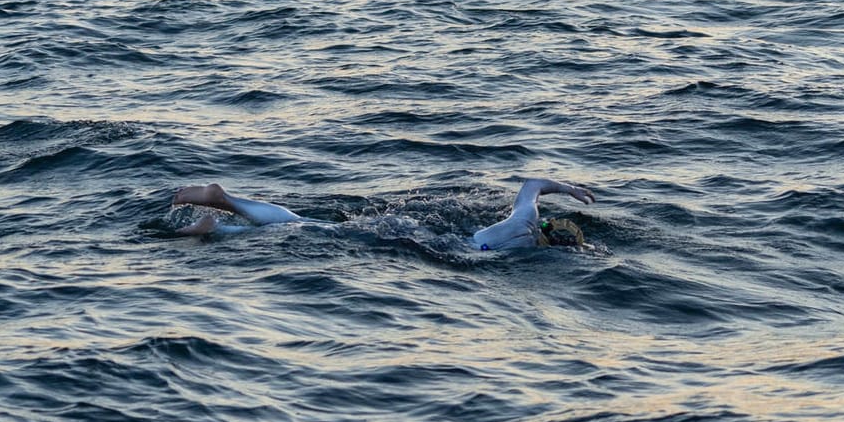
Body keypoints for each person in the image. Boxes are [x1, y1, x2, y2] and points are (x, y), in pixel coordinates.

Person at [170, 177, 595, 250]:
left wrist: (569, 188)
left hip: (412, 229)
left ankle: (223, 220)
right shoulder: (525, 243)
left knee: (316, 226)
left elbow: (531, 185)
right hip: (427, 244)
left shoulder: (522, 217)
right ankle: (222, 225)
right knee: (311, 231)